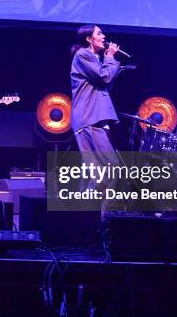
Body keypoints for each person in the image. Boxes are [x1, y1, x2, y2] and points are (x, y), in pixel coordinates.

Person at [70, 25, 121, 212]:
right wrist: (110, 58)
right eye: (99, 33)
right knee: (109, 169)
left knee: (99, 172)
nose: (104, 36)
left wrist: (109, 62)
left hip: (94, 118)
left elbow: (104, 85)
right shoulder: (83, 55)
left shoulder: (93, 58)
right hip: (88, 118)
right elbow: (104, 77)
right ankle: (92, 218)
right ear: (89, 39)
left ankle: (91, 218)